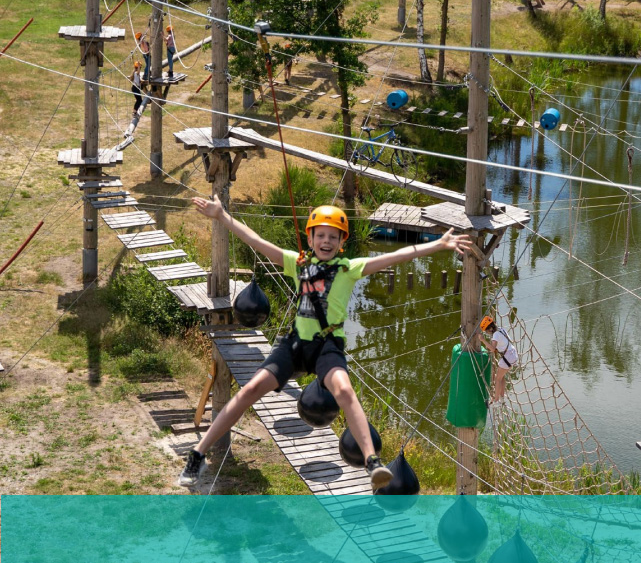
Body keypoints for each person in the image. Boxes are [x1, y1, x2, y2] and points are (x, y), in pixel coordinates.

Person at [178, 199, 473, 491]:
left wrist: (437, 245)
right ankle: (198, 453)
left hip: (327, 345)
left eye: (333, 236)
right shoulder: (297, 264)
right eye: (320, 235)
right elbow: (256, 241)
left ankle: (372, 461)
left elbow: (397, 256)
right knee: (250, 390)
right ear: (310, 238)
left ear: (342, 241)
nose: (326, 241)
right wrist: (222, 216)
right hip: (295, 344)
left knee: (344, 390)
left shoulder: (349, 269)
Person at [478, 316, 518, 402]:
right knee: (501, 377)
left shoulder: (495, 335)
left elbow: (492, 349)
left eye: (486, 331)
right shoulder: (501, 329)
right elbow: (503, 342)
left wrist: (483, 340)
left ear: (490, 328)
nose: (487, 333)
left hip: (508, 356)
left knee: (497, 379)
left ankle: (496, 400)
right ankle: (502, 397)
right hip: (513, 354)